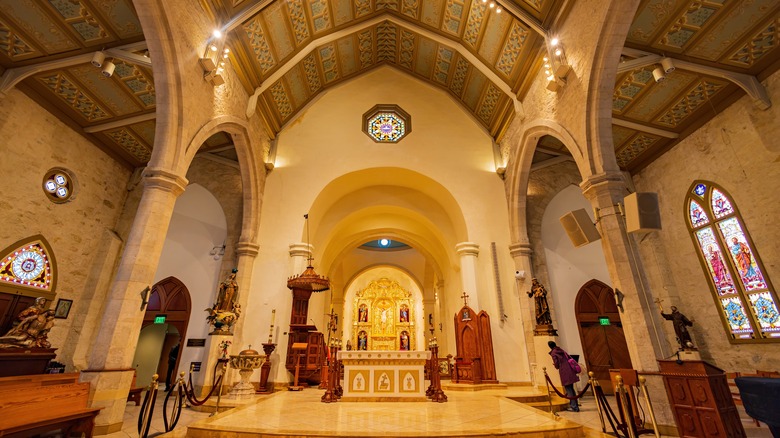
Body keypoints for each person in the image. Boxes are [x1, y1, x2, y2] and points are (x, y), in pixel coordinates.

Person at [548, 341, 579, 412]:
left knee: (569, 389)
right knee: (571, 389)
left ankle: (574, 407)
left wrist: (555, 365)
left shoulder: (553, 353)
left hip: (564, 371)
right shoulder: (561, 350)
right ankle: (575, 405)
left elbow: (556, 364)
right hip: (570, 370)